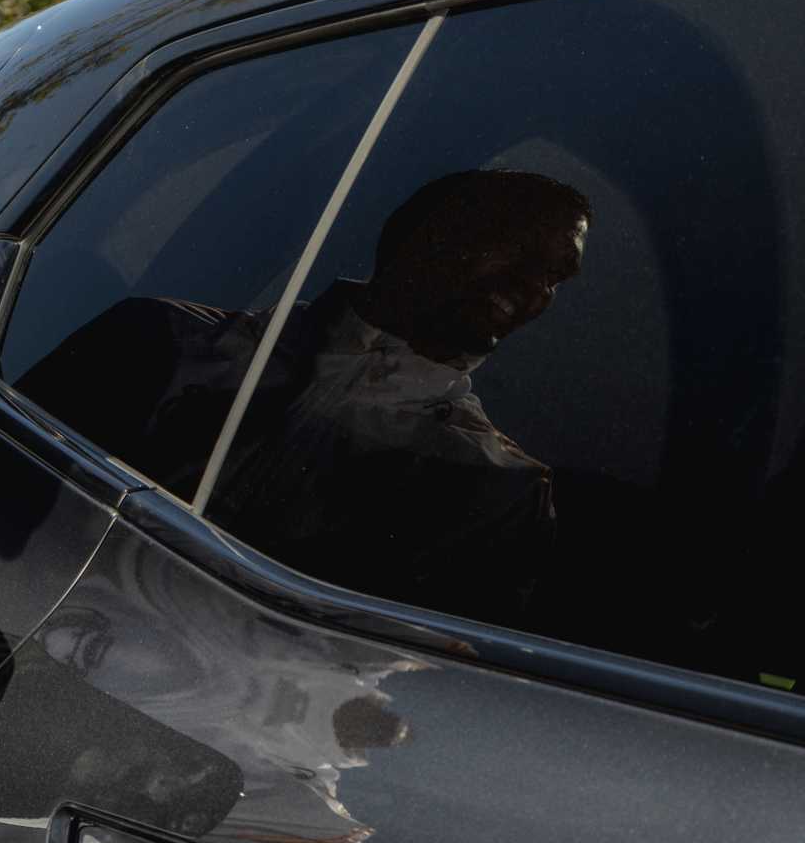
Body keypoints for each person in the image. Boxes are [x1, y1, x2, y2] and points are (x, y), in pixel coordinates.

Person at [29, 169, 591, 624]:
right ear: (425, 231)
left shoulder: (501, 492)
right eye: (517, 244)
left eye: (555, 277)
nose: (533, 287)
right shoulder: (154, 341)